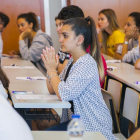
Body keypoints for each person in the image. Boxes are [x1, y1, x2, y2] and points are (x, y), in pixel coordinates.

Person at [41, 16, 115, 140]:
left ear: (79, 40)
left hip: (92, 127)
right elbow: (53, 89)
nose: (60, 40)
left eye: (65, 36)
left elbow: (63, 93)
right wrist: (50, 69)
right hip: (77, 125)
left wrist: (52, 70)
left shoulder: (85, 63)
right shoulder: (72, 61)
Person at [55, 5, 107, 88]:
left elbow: (64, 92)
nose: (59, 29)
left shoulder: (84, 58)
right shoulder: (74, 54)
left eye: (63, 24)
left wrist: (51, 69)